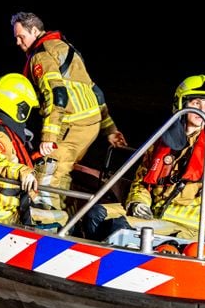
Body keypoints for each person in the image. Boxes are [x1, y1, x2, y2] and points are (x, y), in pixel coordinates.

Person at [83, 74, 205, 242]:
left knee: (120, 228)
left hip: (188, 228)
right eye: (196, 103)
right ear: (182, 104)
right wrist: (138, 202)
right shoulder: (161, 141)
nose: (202, 109)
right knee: (94, 213)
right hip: (153, 214)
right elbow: (142, 181)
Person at [11, 11, 128, 210]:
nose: (18, 43)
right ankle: (64, 214)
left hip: (71, 124)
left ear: (35, 31)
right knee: (62, 172)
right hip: (91, 124)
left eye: (21, 37)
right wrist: (110, 130)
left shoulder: (41, 56)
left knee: (47, 176)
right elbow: (95, 91)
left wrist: (49, 136)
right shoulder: (65, 47)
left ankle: (47, 224)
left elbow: (56, 95)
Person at [0, 73, 67, 229]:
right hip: (2, 210)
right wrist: (22, 171)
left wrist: (35, 156)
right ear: (19, 107)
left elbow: (9, 157)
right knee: (63, 218)